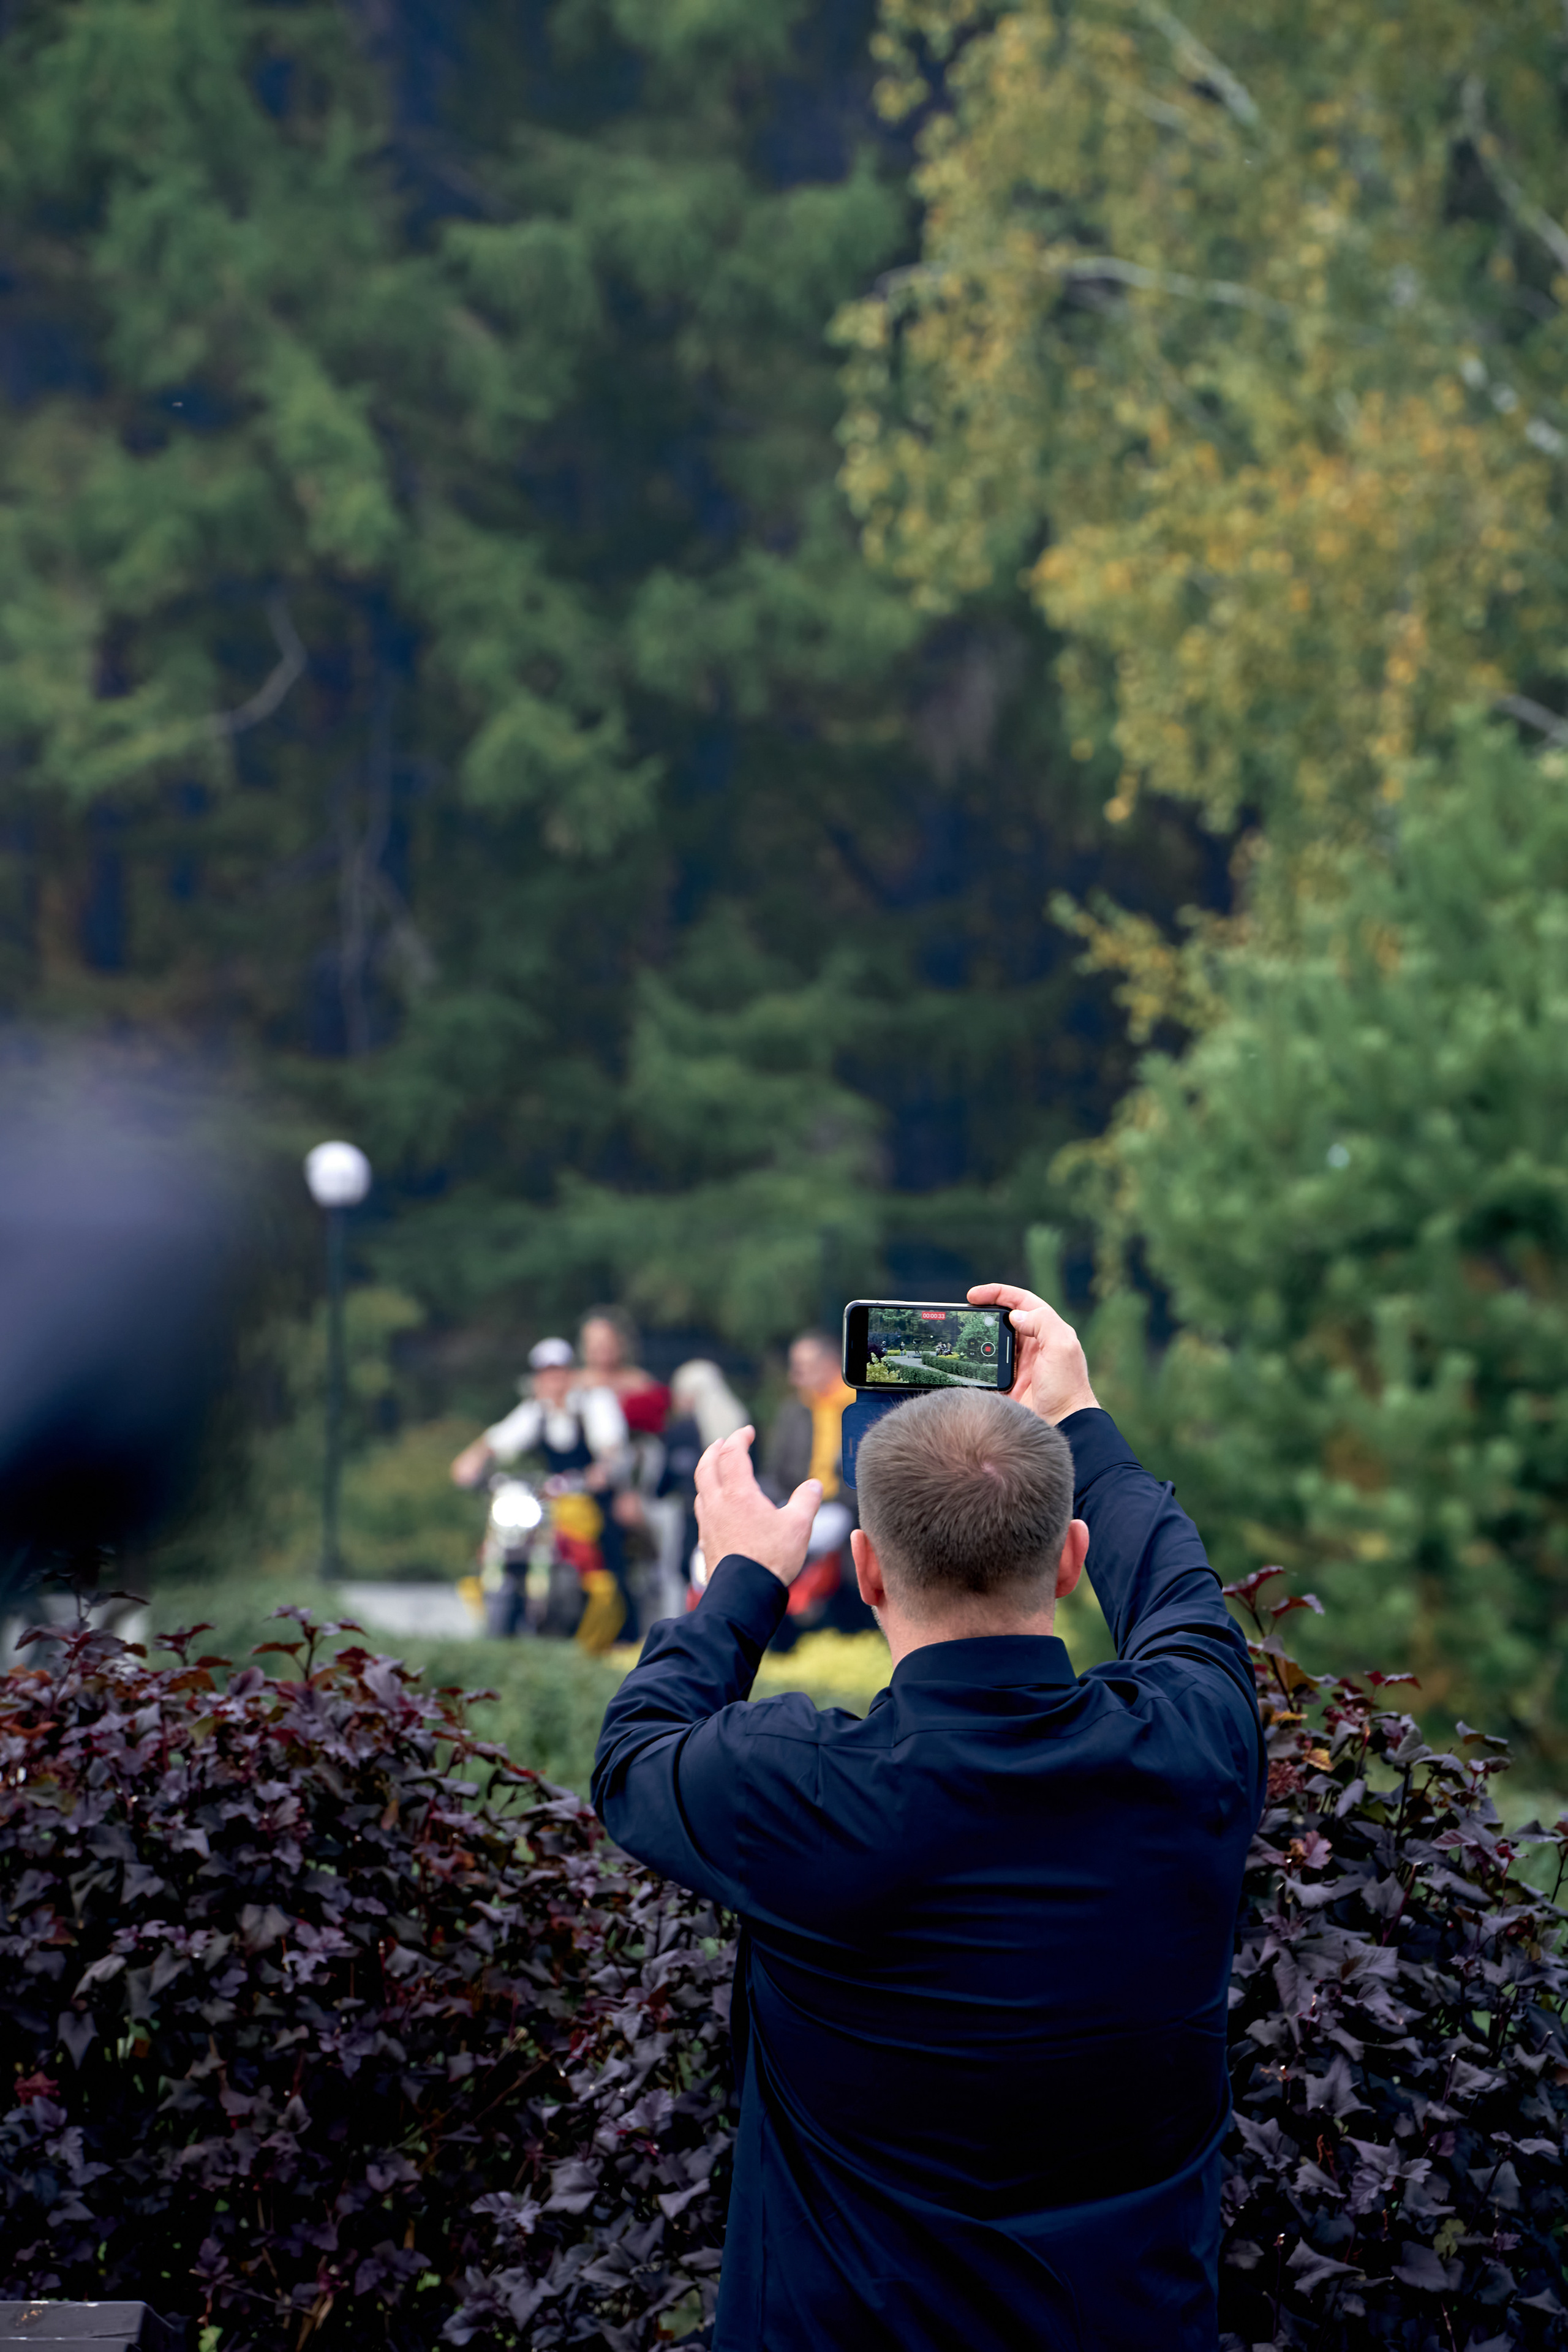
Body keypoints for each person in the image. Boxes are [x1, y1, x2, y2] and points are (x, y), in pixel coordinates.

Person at [592, 1283, 1265, 2351]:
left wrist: (741, 1582)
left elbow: (634, 1756)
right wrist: (1081, 1419)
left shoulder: (800, 1788)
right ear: (1070, 1560)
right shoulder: (1190, 1750)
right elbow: (1181, 1604)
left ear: (865, 1571)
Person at [450, 1338, 630, 1648]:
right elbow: (501, 1438)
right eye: (545, 1373)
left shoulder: (594, 1402)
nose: (552, 1380)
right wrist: (472, 1460)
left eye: (558, 1371)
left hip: (589, 1503)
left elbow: (610, 1446)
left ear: (570, 1373)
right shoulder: (537, 1410)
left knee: (607, 1554)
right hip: (550, 1506)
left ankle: (623, 1631)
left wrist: (602, 1469)